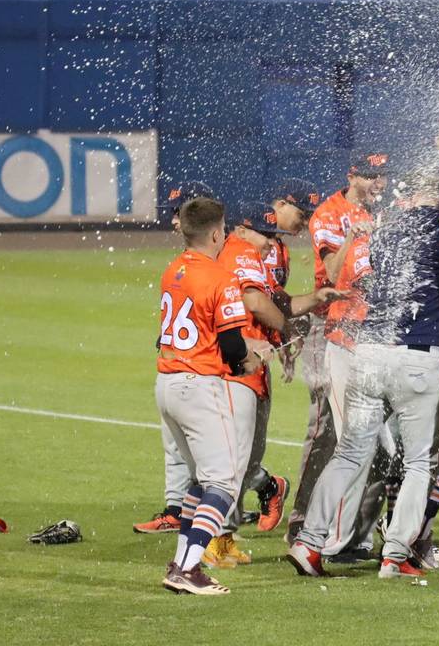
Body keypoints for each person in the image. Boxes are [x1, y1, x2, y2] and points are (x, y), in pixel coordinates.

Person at [287, 169, 439, 579]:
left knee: (349, 452)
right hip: (413, 358)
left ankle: (309, 543)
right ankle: (395, 555)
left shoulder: (380, 233)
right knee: (419, 461)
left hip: (366, 352)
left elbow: (348, 276)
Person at [208, 202, 342, 568]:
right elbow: (255, 302)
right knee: (233, 458)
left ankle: (224, 535)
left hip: (244, 366)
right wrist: (286, 328)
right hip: (237, 367)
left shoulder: (241, 254)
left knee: (244, 456)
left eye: (275, 236)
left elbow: (278, 301)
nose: (272, 243)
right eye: (266, 235)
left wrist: (314, 300)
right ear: (240, 230)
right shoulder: (241, 253)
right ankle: (213, 538)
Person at [154, 196, 261, 595]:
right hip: (198, 385)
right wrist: (247, 362)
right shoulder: (220, 276)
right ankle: (188, 567)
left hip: (167, 383)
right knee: (224, 484)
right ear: (217, 233)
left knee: (201, 480)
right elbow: (232, 347)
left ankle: (181, 562)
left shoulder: (172, 269)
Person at [286, 155, 382, 546]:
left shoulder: (384, 211)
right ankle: (303, 517)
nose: (378, 182)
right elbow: (331, 271)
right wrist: (353, 238)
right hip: (328, 324)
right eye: (370, 175)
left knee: (372, 423)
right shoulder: (329, 214)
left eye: (382, 175)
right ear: (352, 175)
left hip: (371, 326)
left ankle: (359, 528)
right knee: (326, 425)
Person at [134, 181, 216, 535]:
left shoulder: (214, 256)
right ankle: (178, 509)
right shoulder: (187, 259)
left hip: (208, 367)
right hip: (185, 364)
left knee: (217, 454)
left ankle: (243, 501)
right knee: (179, 443)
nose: (173, 222)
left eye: (177, 213)